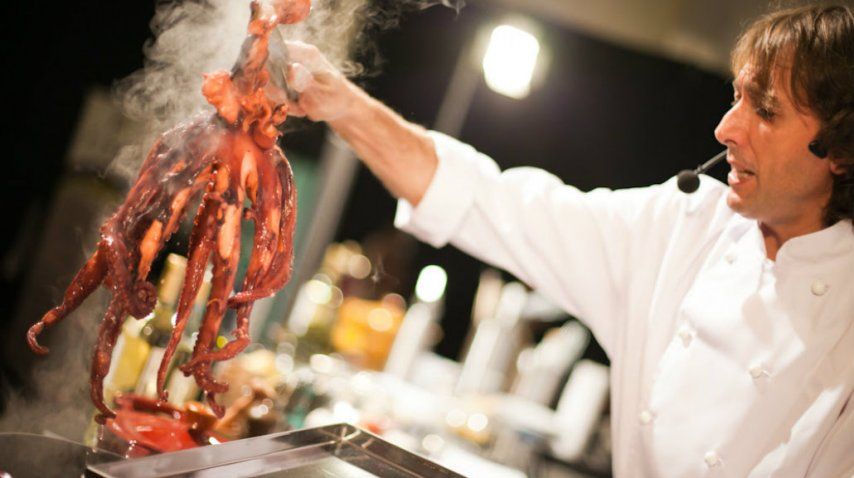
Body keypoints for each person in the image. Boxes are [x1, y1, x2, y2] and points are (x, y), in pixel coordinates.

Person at [283, 5, 854, 476]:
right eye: (736, 97)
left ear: (842, 150)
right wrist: (338, 100)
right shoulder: (684, 227)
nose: (726, 128)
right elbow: (491, 202)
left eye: (767, 111)